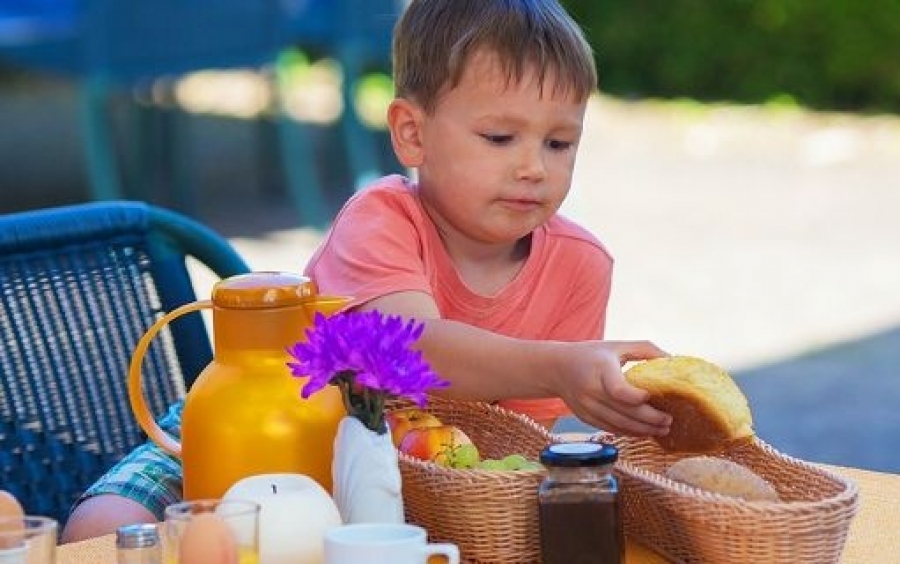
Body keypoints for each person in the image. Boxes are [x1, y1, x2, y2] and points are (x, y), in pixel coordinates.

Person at [61, 0, 672, 542]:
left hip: (408, 481)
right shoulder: (381, 218)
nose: (534, 167)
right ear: (412, 134)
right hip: (261, 426)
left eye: (559, 144)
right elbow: (408, 355)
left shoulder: (579, 265)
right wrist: (559, 366)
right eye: (499, 136)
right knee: (105, 529)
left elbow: (501, 443)